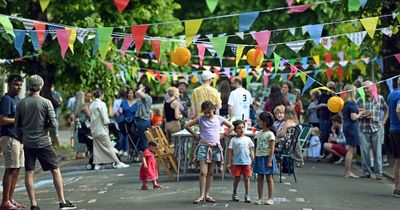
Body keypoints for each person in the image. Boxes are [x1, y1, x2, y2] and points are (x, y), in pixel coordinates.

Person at [15, 75, 76, 210]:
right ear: (41, 86)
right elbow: (53, 123)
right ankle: (62, 201)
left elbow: (17, 125)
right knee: (55, 170)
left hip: (28, 142)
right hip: (43, 142)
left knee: (29, 172)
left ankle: (34, 204)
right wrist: (45, 127)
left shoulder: (21, 103)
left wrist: (21, 138)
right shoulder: (46, 102)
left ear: (29, 86)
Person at [184, 101, 233, 204]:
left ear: (213, 109)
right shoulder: (201, 118)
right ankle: (201, 195)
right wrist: (195, 135)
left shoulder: (219, 118)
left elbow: (231, 126)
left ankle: (207, 194)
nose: (207, 114)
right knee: (203, 172)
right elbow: (187, 125)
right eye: (205, 112)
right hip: (203, 146)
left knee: (210, 172)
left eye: (209, 112)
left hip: (215, 147)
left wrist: (224, 135)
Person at [0, 75, 26, 209]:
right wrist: (18, 121)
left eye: (20, 84)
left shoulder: (18, 100)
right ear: (9, 84)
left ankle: (11, 199)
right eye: (16, 84)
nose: (19, 87)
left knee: (16, 169)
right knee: (10, 169)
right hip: (9, 138)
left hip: (18, 138)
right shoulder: (6, 100)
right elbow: (2, 119)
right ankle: (5, 201)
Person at [89, 89, 129, 170]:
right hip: (101, 129)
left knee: (97, 148)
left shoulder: (92, 105)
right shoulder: (102, 104)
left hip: (94, 129)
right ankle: (117, 162)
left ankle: (97, 164)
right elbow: (105, 118)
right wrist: (107, 126)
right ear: (102, 95)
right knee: (109, 147)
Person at [357, 81, 388, 180]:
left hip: (376, 128)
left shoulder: (379, 98)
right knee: (364, 151)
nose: (365, 90)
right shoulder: (359, 100)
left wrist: (383, 122)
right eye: (364, 88)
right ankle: (366, 172)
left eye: (367, 88)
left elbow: (387, 110)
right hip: (364, 127)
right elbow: (357, 114)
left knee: (377, 151)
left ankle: (379, 173)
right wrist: (362, 116)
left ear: (372, 88)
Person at [226, 120, 254, 203]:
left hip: (246, 162)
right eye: (239, 128)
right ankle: (234, 193)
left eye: (242, 127)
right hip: (236, 162)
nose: (241, 129)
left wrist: (253, 159)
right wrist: (229, 162)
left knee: (246, 178)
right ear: (234, 130)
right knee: (237, 178)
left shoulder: (248, 139)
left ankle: (247, 194)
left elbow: (251, 149)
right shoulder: (233, 140)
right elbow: (230, 152)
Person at [253, 112, 278, 205]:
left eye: (260, 120)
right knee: (259, 178)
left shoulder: (270, 134)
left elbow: (272, 149)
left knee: (269, 178)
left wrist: (270, 160)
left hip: (267, 157)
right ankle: (260, 198)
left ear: (265, 122)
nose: (258, 122)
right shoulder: (258, 133)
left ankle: (270, 198)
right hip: (259, 157)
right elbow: (256, 146)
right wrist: (254, 157)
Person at [342, 84, 362, 178]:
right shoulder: (352, 103)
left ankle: (348, 170)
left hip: (346, 126)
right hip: (352, 127)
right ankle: (348, 172)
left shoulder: (345, 103)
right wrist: (360, 113)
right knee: (350, 150)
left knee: (352, 150)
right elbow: (353, 117)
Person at [387, 76, 400, 197]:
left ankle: (397, 187)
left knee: (397, 161)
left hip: (393, 129)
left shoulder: (391, 94)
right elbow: (398, 110)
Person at [316, 82, 335, 156]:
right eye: (329, 87)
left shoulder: (336, 95)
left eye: (332, 88)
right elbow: (317, 106)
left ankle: (329, 152)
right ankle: (321, 152)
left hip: (332, 117)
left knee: (330, 134)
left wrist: (333, 95)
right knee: (323, 134)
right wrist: (323, 105)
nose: (330, 89)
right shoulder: (323, 95)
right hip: (323, 117)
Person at [118, 87, 137, 157]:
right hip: (126, 121)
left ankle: (134, 151)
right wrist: (120, 111)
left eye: (131, 93)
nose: (130, 95)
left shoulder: (137, 102)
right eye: (128, 93)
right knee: (124, 135)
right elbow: (120, 112)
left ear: (134, 94)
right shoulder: (123, 102)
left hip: (135, 122)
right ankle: (125, 149)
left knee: (134, 136)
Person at [135, 84, 153, 153]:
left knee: (144, 140)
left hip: (144, 120)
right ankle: (145, 156)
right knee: (142, 140)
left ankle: (147, 157)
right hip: (139, 120)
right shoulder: (140, 99)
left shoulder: (148, 97)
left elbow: (138, 92)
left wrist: (141, 88)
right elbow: (137, 94)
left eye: (141, 88)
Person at [71, 91, 88, 159]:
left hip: (77, 124)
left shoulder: (75, 106)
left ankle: (77, 153)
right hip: (83, 124)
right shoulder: (84, 105)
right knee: (83, 137)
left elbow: (72, 117)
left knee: (77, 137)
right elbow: (88, 115)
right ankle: (82, 153)